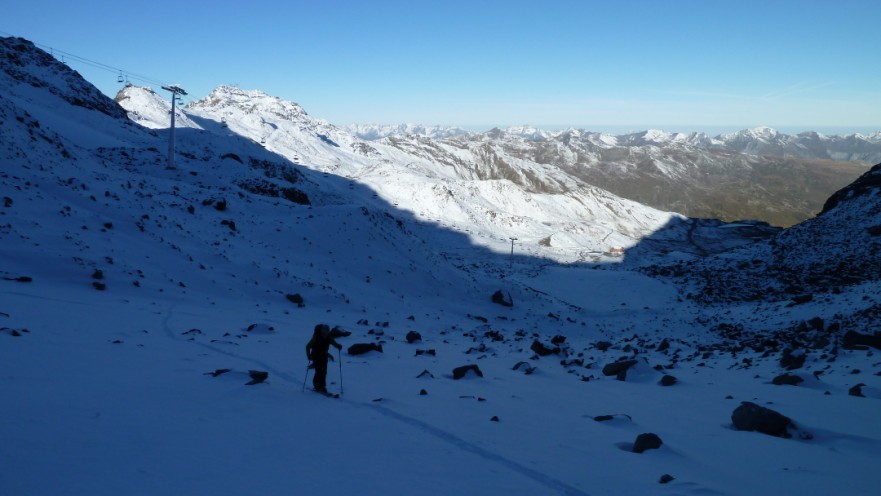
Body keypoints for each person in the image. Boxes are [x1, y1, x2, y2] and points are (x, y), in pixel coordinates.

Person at [305, 323, 342, 393]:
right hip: (315, 355)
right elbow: (307, 346)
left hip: (324, 355)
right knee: (319, 371)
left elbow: (333, 343)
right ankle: (318, 385)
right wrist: (308, 355)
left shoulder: (329, 337)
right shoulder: (316, 337)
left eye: (326, 332)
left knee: (324, 371)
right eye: (323, 332)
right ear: (321, 331)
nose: (325, 333)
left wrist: (338, 346)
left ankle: (322, 386)